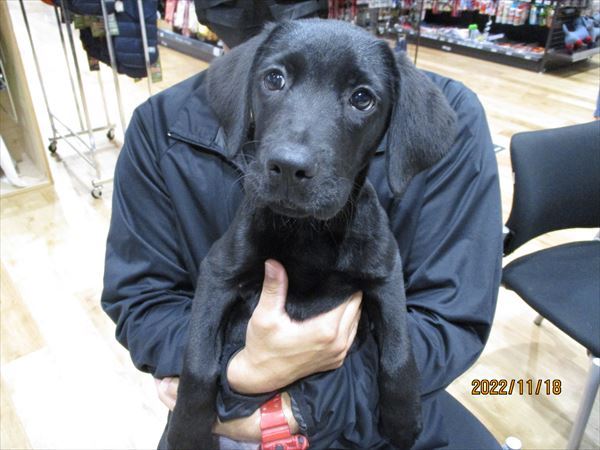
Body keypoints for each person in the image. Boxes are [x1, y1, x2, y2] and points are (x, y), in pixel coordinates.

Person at [101, 3, 503, 449]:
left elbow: (449, 318)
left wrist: (302, 407)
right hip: (221, 411)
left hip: (365, 415)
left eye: (360, 98)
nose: (293, 154)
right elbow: (142, 301)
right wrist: (242, 373)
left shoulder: (443, 112)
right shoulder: (158, 128)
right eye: (276, 80)